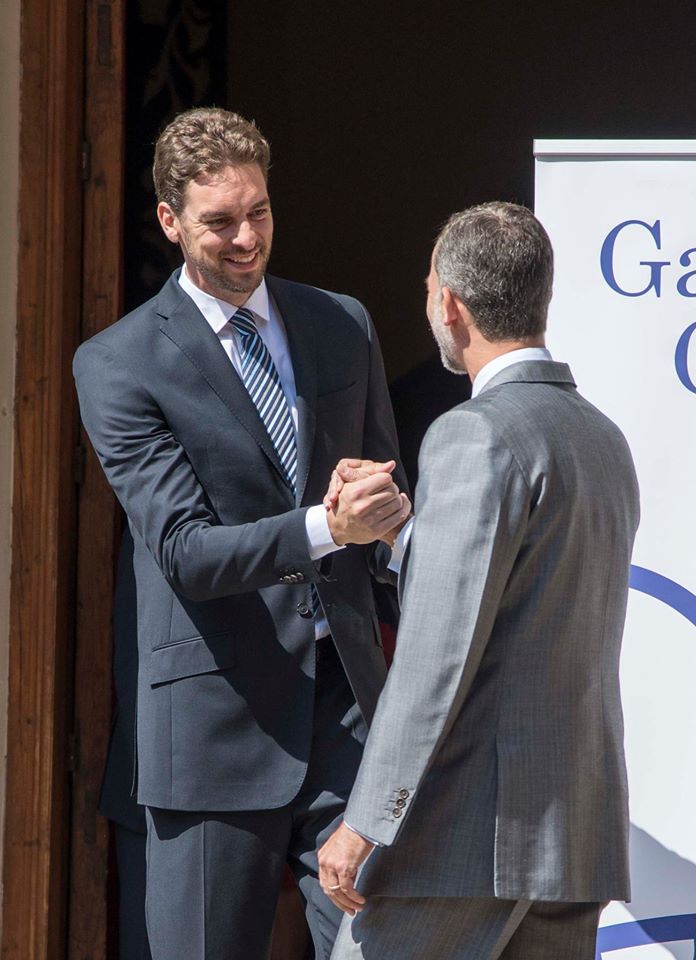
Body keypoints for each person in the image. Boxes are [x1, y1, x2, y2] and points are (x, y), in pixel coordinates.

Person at [73, 106, 410, 960]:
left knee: (389, 949)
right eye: (218, 222)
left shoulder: (342, 322)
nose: (245, 238)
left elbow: (381, 496)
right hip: (215, 730)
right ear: (170, 221)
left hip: (348, 720)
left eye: (258, 212)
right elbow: (183, 549)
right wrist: (326, 526)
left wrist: (386, 516)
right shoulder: (116, 363)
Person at [318, 201, 640, 960]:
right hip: (571, 838)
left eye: (428, 285)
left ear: (450, 304)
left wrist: (366, 820)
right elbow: (526, 601)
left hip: (461, 842)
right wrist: (405, 534)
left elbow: (436, 655)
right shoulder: (603, 437)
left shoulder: (472, 432)